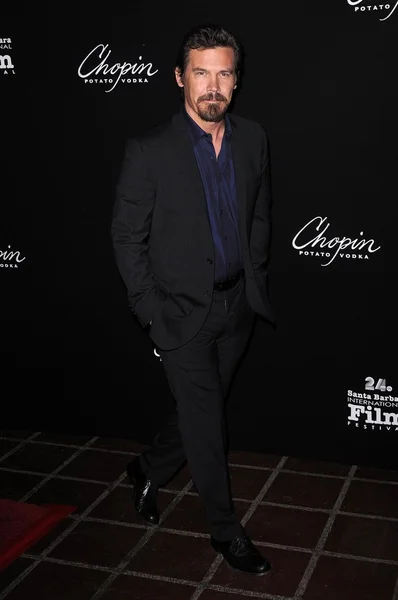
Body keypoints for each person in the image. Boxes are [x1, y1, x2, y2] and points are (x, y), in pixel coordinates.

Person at [111, 23, 275, 576]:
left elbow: (258, 215)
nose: (213, 85)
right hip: (179, 315)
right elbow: (127, 238)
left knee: (196, 412)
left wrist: (254, 278)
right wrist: (151, 312)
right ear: (181, 77)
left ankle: (148, 468)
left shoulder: (253, 138)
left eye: (224, 73)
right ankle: (226, 533)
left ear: (236, 81)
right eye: (201, 72)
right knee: (207, 425)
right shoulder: (150, 150)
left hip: (237, 309)